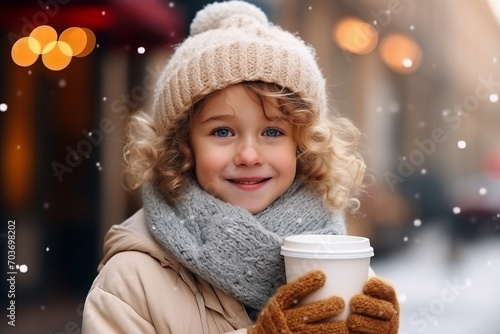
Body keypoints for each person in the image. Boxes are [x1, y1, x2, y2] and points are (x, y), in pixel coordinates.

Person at [82, 1, 400, 333]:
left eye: (273, 132)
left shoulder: (336, 258)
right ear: (182, 144)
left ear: (303, 145)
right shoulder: (131, 281)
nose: (249, 155)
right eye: (222, 132)